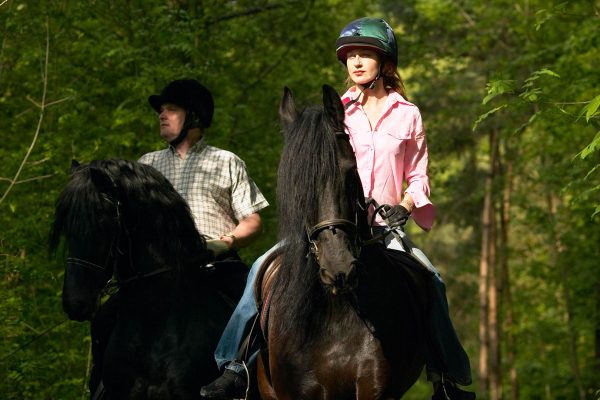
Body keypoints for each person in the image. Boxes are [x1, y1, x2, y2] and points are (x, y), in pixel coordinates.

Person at [201, 18, 475, 400]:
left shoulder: (407, 114)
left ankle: (446, 377)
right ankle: (233, 366)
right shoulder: (335, 113)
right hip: (332, 225)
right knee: (260, 269)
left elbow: (418, 174)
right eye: (350, 56)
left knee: (431, 278)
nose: (356, 62)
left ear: (385, 62)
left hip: (382, 231)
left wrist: (406, 205)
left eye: (365, 55)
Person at [139, 79, 269, 255]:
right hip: (159, 266)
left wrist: (228, 241)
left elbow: (252, 221)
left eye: (171, 109)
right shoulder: (146, 165)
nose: (161, 115)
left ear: (194, 117)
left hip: (216, 265)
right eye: (162, 110)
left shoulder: (227, 161)